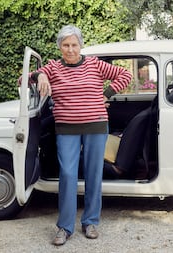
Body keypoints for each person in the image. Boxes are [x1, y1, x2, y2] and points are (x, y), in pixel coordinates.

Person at [30, 25, 132, 246]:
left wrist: (106, 94)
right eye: (65, 45)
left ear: (80, 45)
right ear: (59, 47)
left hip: (96, 126)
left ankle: (90, 221)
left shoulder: (94, 64)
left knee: (94, 173)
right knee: (67, 174)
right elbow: (24, 80)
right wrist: (40, 76)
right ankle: (65, 227)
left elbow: (125, 74)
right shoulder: (53, 68)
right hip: (67, 129)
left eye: (74, 44)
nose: (70, 49)